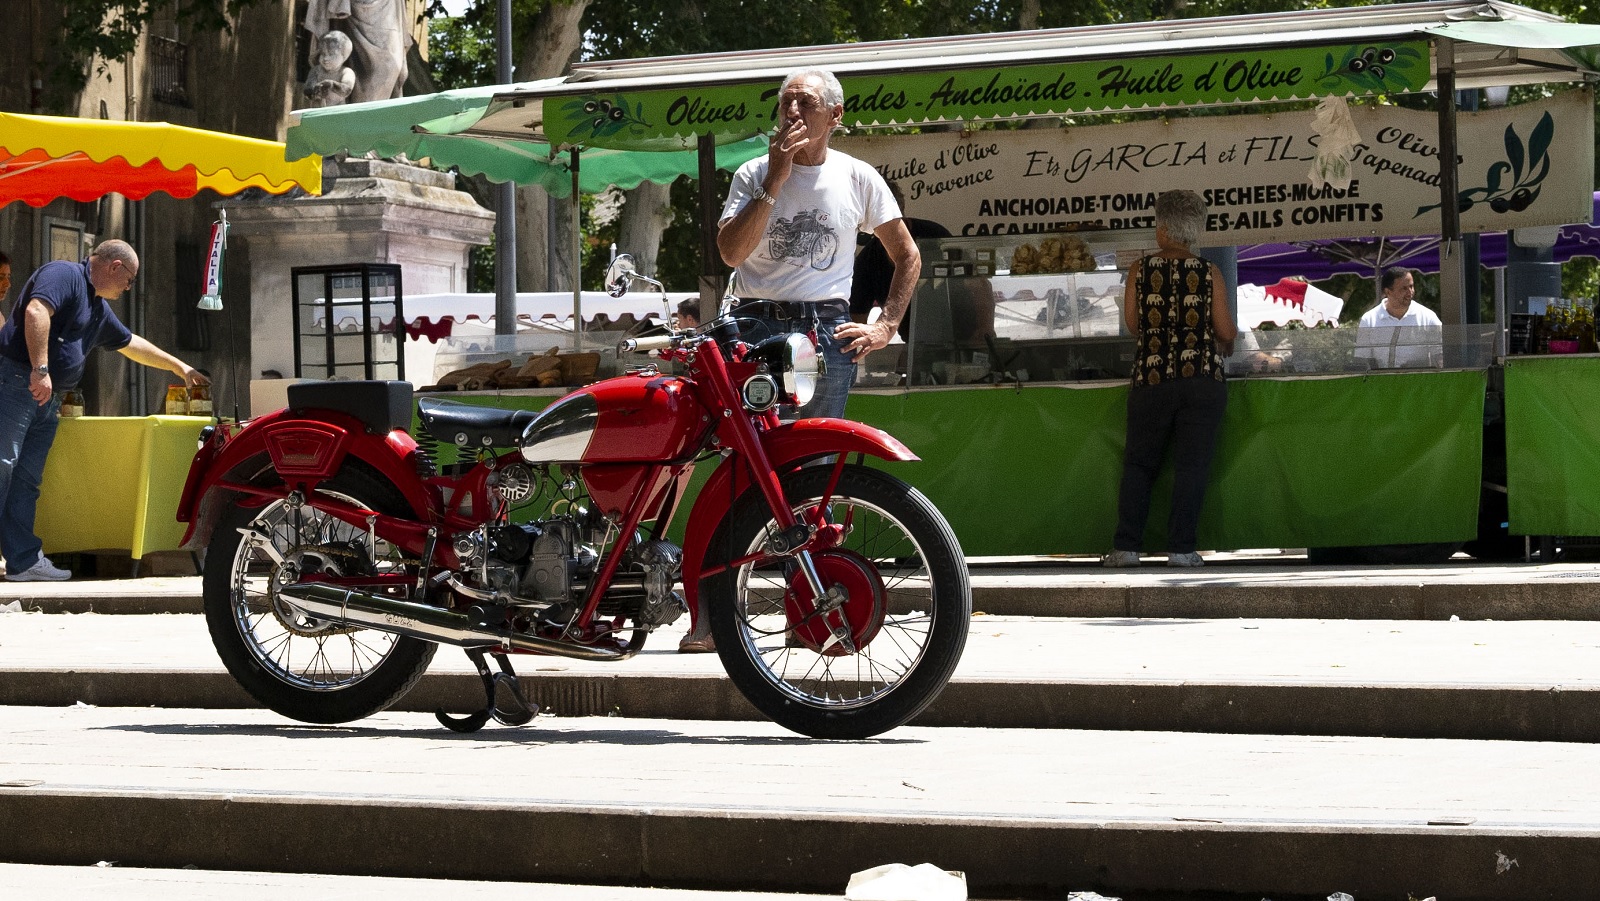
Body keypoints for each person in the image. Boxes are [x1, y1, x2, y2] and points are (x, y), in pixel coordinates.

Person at [680, 68, 917, 653]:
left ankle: (805, 613)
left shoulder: (857, 176)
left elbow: (906, 254)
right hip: (756, 322)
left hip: (823, 328)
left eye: (805, 103)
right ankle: (715, 614)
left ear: (834, 116)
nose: (791, 112)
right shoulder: (754, 172)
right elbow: (732, 252)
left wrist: (886, 324)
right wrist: (776, 178)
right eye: (784, 101)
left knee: (813, 475)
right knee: (743, 467)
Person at [0, 240, 210, 582]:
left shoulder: (96, 308)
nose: (129, 288)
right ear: (115, 266)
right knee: (2, 467)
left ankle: (23, 561)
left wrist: (179, 367)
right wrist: (40, 370)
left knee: (26, 480)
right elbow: (36, 311)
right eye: (129, 280)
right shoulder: (64, 274)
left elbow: (131, 344)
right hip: (18, 382)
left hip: (47, 398)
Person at [1105, 190, 1237, 569]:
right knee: (1191, 466)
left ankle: (1127, 547)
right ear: (1193, 230)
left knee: (1140, 464)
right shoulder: (1209, 272)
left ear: (1163, 229)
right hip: (1201, 381)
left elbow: (1133, 325)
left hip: (1152, 377)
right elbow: (1226, 330)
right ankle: (1181, 549)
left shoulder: (1140, 271)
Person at [1355, 268, 1443, 369]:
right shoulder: (1369, 320)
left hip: (1418, 382)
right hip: (1381, 382)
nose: (1410, 292)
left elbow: (1441, 356)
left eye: (1411, 286)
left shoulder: (1428, 317)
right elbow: (1362, 359)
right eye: (1404, 288)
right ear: (1388, 291)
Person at [303, 30, 357, 108]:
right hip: (317, 111)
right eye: (323, 54)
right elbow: (307, 91)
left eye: (331, 54)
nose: (326, 58)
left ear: (344, 56)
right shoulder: (316, 70)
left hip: (338, 112)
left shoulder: (346, 72)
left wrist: (331, 85)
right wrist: (315, 91)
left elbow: (346, 90)